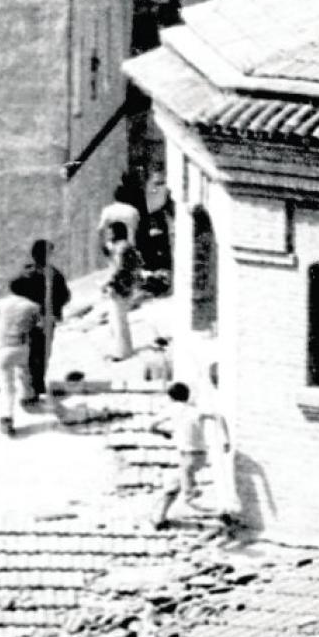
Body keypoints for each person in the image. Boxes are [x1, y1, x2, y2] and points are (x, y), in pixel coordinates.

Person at [149, 382, 229, 527]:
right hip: (200, 456)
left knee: (188, 497)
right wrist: (226, 439)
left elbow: (151, 426)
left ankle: (221, 513)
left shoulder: (171, 410)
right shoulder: (195, 410)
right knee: (174, 485)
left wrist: (164, 432)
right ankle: (159, 519)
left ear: (171, 397)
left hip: (187, 457)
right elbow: (219, 417)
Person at [9, 241, 71, 406]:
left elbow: (14, 286)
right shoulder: (53, 274)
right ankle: (36, 385)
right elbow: (65, 296)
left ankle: (32, 387)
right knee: (41, 352)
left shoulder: (29, 272)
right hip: (44, 318)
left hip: (30, 318)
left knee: (30, 352)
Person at [0, 281, 45, 436]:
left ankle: (7, 418)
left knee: (7, 386)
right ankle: (27, 398)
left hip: (3, 349)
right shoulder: (33, 306)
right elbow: (40, 325)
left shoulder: (2, 303)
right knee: (24, 373)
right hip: (22, 348)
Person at [101, 220, 142, 361]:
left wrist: (109, 283)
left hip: (121, 287)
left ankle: (123, 352)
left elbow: (119, 269)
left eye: (111, 232)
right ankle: (119, 349)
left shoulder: (122, 248)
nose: (108, 235)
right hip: (122, 286)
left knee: (119, 320)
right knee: (116, 320)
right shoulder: (121, 247)